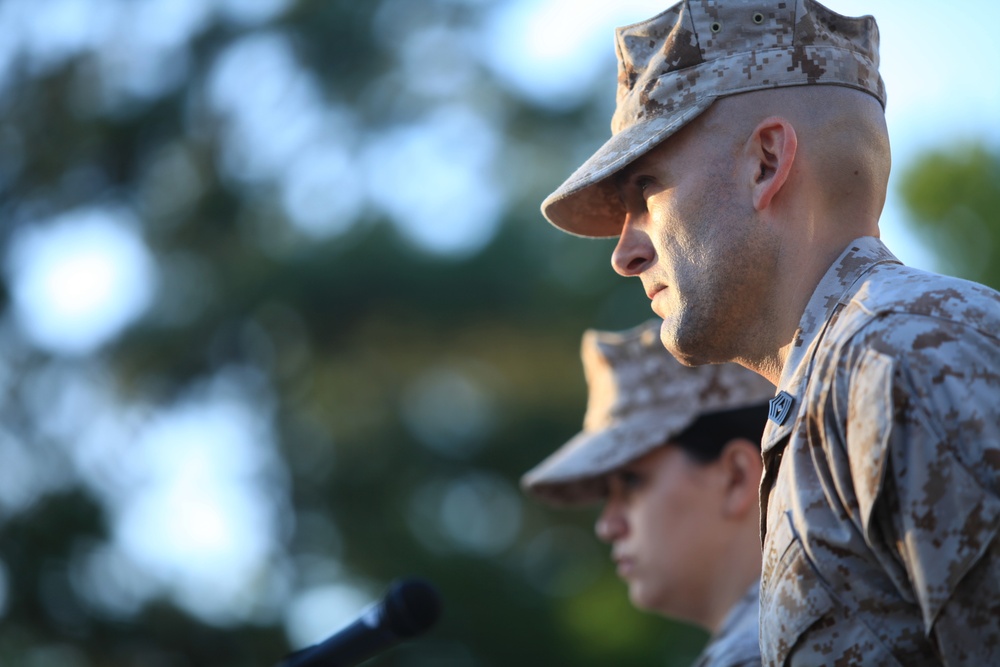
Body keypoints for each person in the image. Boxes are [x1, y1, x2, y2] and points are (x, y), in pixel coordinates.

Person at [537, 1, 1000, 665]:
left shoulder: (900, 363)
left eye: (647, 192)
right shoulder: (838, 386)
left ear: (766, 161)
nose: (625, 252)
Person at [522, 319, 775, 667]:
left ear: (737, 476)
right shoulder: (818, 625)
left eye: (631, 482)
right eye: (606, 493)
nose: (607, 526)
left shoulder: (765, 653)